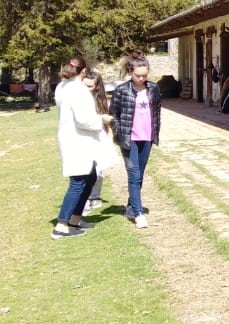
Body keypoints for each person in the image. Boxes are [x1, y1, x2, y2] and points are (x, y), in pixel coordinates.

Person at [52, 58, 108, 239]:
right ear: (83, 71)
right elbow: (84, 120)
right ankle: (62, 224)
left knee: (90, 176)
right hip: (78, 141)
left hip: (72, 138)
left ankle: (75, 219)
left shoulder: (62, 86)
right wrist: (102, 120)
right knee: (78, 180)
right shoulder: (78, 90)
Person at [109, 55, 162, 229]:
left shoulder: (153, 89)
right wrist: (119, 132)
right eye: (138, 75)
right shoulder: (122, 90)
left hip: (146, 138)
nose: (141, 79)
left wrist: (156, 134)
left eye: (144, 75)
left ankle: (131, 207)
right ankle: (138, 214)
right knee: (134, 175)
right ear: (131, 72)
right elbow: (113, 114)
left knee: (139, 176)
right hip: (129, 139)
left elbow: (157, 114)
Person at [84, 70, 119, 210]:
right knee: (84, 170)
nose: (86, 90)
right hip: (83, 139)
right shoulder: (77, 100)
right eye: (84, 85)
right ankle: (84, 197)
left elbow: (108, 124)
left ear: (97, 87)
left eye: (90, 87)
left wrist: (110, 140)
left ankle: (95, 196)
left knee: (98, 170)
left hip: (99, 138)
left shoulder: (103, 102)